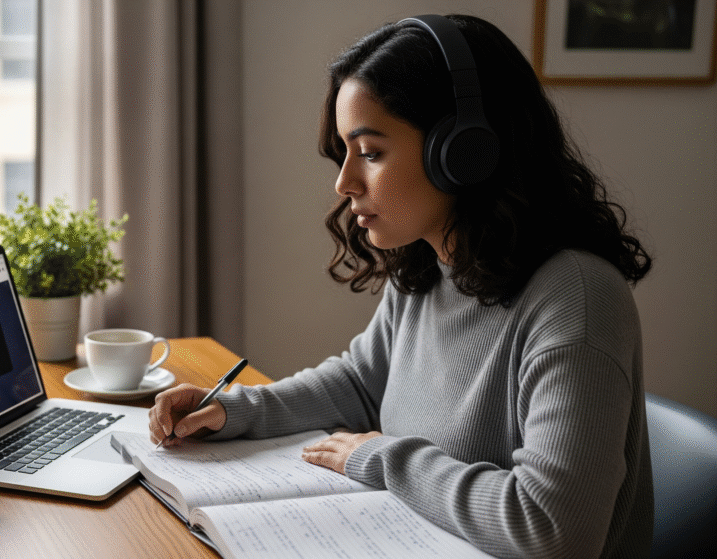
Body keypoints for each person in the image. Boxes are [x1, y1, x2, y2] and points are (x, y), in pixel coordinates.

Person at [148, 13, 654, 559]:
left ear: (464, 153)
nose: (344, 183)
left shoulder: (576, 300)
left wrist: (383, 458)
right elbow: (362, 384)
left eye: (370, 152)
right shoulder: (430, 266)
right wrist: (235, 410)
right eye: (344, 152)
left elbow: (554, 529)